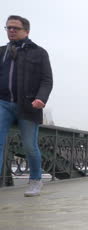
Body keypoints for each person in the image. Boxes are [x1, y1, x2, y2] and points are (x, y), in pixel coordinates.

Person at [0, 16, 53, 196]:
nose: (11, 31)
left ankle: (36, 180)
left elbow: (47, 80)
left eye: (16, 28)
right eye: (8, 28)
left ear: (27, 31)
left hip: (29, 104)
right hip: (3, 104)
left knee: (30, 146)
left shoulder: (39, 53)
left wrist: (41, 98)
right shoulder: (1, 52)